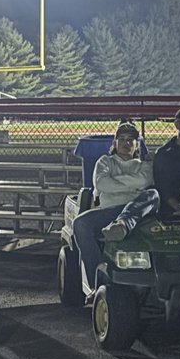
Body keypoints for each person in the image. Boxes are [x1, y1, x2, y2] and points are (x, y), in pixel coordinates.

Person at [72, 122, 158, 289]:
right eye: (122, 139)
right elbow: (102, 184)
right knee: (80, 224)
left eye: (130, 140)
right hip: (109, 212)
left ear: (137, 144)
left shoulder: (145, 165)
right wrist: (133, 185)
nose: (126, 143)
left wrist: (116, 182)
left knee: (153, 194)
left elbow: (145, 181)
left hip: (137, 213)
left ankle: (123, 224)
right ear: (115, 143)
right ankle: (96, 282)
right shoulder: (105, 162)